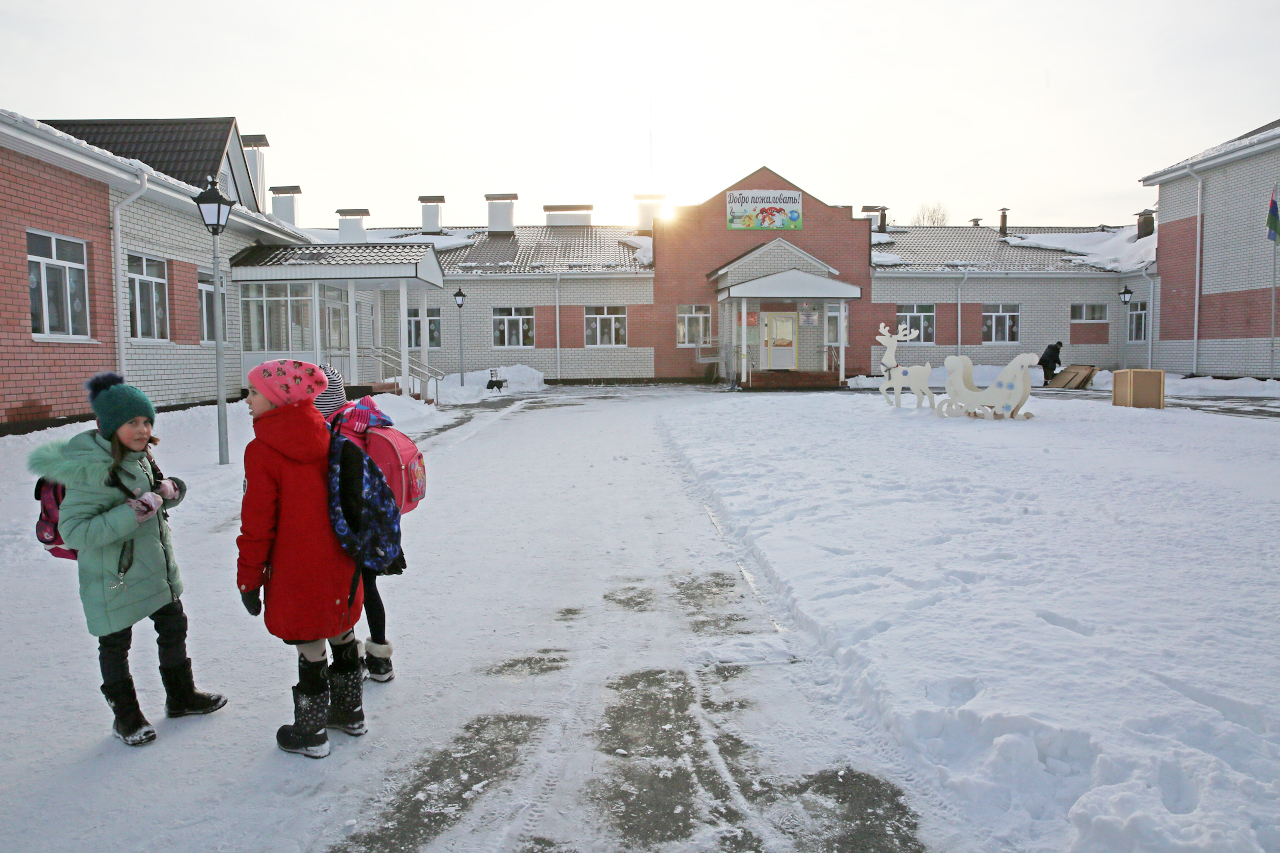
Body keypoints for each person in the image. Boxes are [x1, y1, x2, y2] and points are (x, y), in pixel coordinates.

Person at [26, 373, 225, 746]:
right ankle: (126, 718)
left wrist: (170, 491)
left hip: (153, 567)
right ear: (109, 425)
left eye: (147, 421)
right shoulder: (91, 469)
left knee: (174, 625)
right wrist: (132, 512)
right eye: (132, 422)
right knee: (115, 644)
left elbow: (150, 499)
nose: (142, 429)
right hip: (112, 576)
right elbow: (75, 531)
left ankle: (181, 697)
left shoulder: (140, 455)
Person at [237, 359, 365, 758]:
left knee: (309, 642)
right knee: (341, 629)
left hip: (297, 568)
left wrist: (248, 579)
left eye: (254, 392)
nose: (247, 400)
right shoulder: (326, 433)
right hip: (340, 561)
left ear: (278, 399)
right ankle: (350, 713)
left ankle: (311, 732)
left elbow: (257, 525)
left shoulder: (262, 450)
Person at [314, 364, 403, 682]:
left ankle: (350, 660)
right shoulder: (359, 421)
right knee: (369, 589)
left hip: (351, 528)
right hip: (376, 524)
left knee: (346, 593)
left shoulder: (335, 434)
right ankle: (381, 661)